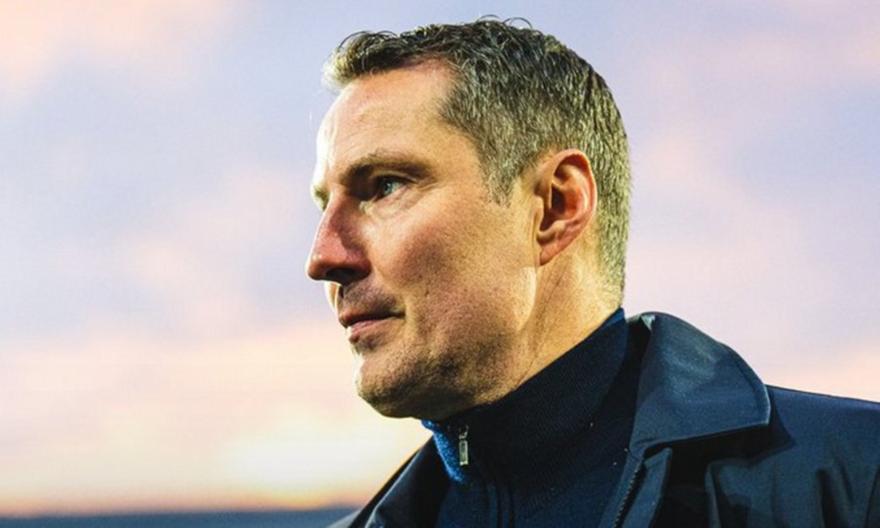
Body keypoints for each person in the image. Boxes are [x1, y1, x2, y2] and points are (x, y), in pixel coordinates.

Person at [306, 19, 880, 527]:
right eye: (324, 205)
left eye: (384, 187)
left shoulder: (857, 482)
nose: (323, 257)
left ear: (556, 206)